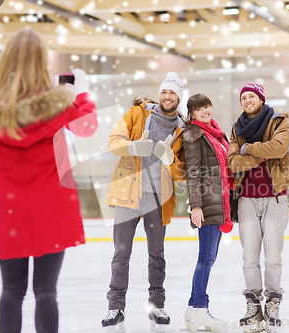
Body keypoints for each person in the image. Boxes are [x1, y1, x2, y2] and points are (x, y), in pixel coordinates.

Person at [0, 29, 97, 333]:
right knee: (46, 292)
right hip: (53, 208)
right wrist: (82, 93)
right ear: (41, 62)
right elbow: (89, 126)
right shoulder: (60, 105)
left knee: (11, 291)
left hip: (6, 211)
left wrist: (2, 186)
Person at [102, 72, 186, 332]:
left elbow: (182, 172)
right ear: (159, 94)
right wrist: (132, 147)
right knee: (121, 254)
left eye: (172, 93)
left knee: (156, 255)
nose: (167, 96)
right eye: (164, 92)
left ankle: (156, 306)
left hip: (158, 199)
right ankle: (115, 307)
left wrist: (170, 160)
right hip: (128, 193)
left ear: (178, 98)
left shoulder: (183, 129)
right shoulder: (138, 114)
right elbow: (113, 141)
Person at [227, 83, 289, 333]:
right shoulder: (236, 128)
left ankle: (273, 301)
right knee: (249, 258)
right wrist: (263, 155)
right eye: (243, 97)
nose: (247, 100)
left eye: (251, 96)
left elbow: (280, 147)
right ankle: (253, 304)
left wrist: (249, 149)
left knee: (273, 256)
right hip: (246, 199)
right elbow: (233, 163)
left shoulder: (278, 122)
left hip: (275, 197)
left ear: (261, 99)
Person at [182, 94, 233, 332]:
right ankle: (201, 308)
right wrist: (196, 205)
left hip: (219, 203)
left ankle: (193, 309)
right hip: (207, 205)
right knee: (206, 259)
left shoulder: (215, 133)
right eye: (198, 108)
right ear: (191, 114)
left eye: (206, 106)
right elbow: (192, 173)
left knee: (208, 258)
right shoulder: (194, 136)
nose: (205, 111)